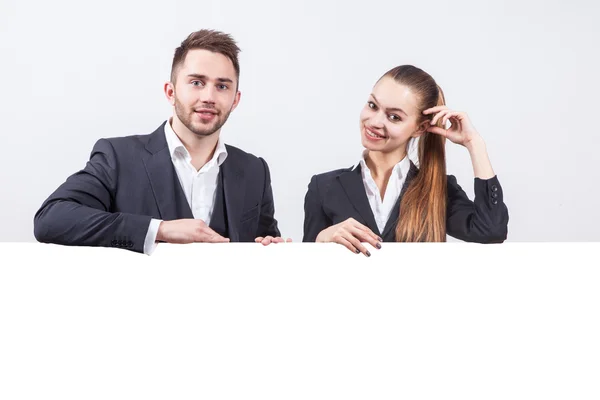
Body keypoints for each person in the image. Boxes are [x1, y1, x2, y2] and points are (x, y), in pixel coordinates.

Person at [34, 29, 290, 254]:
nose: (209, 96)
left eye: (222, 86)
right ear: (171, 92)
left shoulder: (255, 170)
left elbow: (262, 244)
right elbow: (51, 218)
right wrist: (160, 230)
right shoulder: (118, 157)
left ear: (235, 99)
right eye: (196, 82)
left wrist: (269, 248)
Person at [302, 65, 509, 256]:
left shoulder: (437, 189)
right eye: (373, 105)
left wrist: (475, 144)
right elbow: (305, 271)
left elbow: (491, 231)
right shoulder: (323, 187)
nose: (374, 122)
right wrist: (321, 239)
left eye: (394, 117)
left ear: (419, 128)